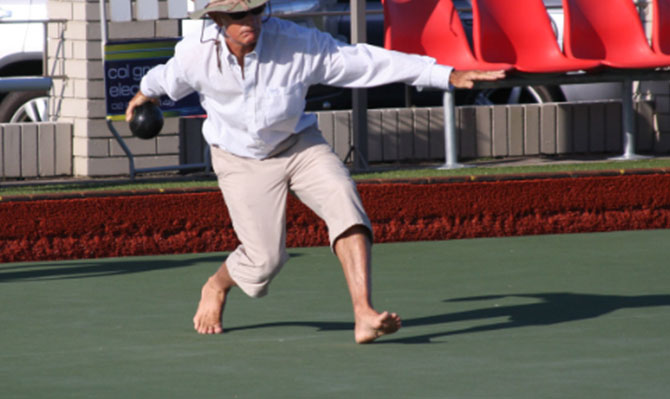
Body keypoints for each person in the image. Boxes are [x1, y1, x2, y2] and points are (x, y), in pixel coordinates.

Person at [125, 0, 504, 343]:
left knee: (345, 200)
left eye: (257, 10)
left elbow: (366, 60)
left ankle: (363, 314)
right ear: (218, 19)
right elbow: (161, 81)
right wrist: (143, 97)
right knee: (263, 262)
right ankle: (217, 285)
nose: (251, 20)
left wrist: (444, 74)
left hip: (299, 143)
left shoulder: (297, 43)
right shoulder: (194, 56)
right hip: (240, 159)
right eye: (239, 14)